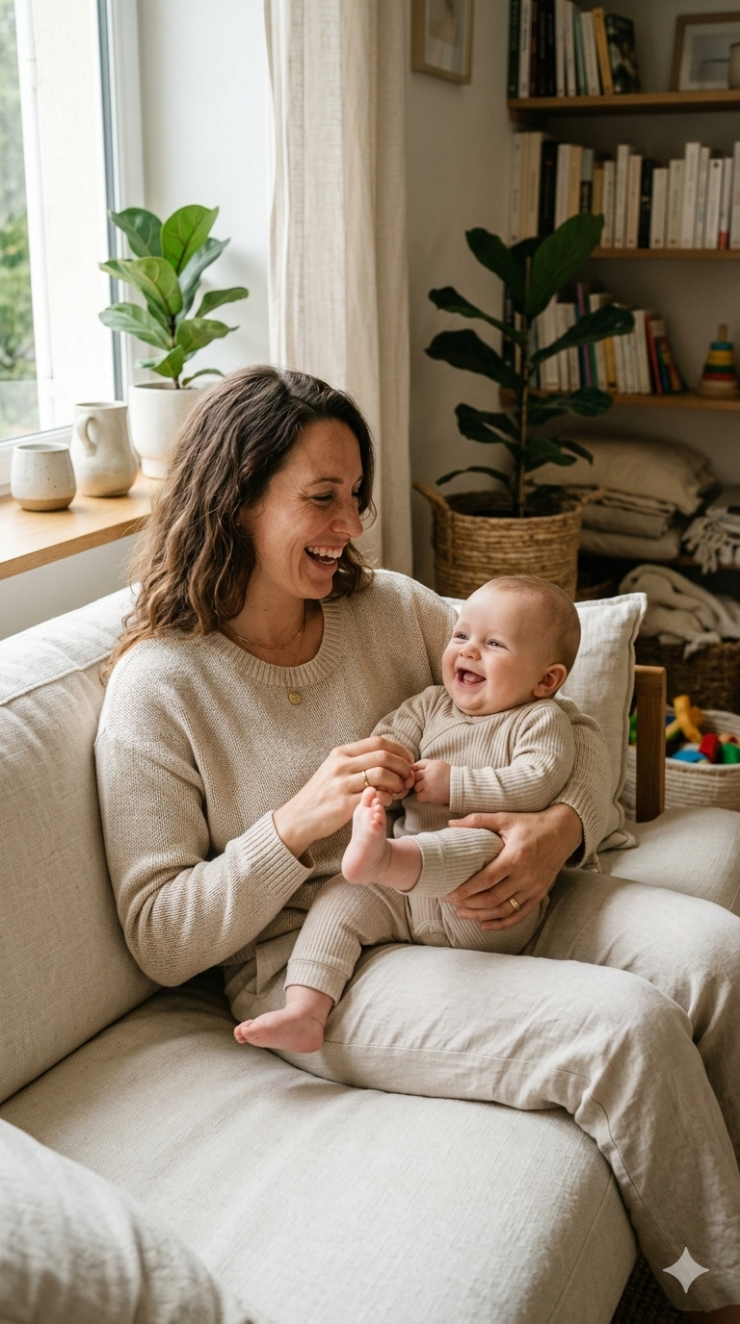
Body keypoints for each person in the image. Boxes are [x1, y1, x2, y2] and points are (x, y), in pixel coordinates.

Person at [95, 365, 740, 1320]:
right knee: (624, 1031)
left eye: (354, 498)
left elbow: (570, 718)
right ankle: (720, 1294)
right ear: (235, 498)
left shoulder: (388, 610)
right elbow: (158, 930)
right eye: (322, 498)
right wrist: (296, 821)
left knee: (720, 955)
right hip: (326, 960)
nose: (351, 526)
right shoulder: (160, 687)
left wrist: (561, 829)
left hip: (474, 892)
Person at [235, 575, 582, 1054]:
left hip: (483, 903)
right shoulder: (429, 705)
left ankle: (383, 859)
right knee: (340, 897)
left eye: (494, 644)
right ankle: (305, 1010)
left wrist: (455, 784)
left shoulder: (540, 720)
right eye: (460, 636)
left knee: (483, 842)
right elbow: (389, 738)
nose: (468, 651)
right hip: (404, 896)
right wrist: (384, 770)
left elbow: (540, 778)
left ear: (547, 680)